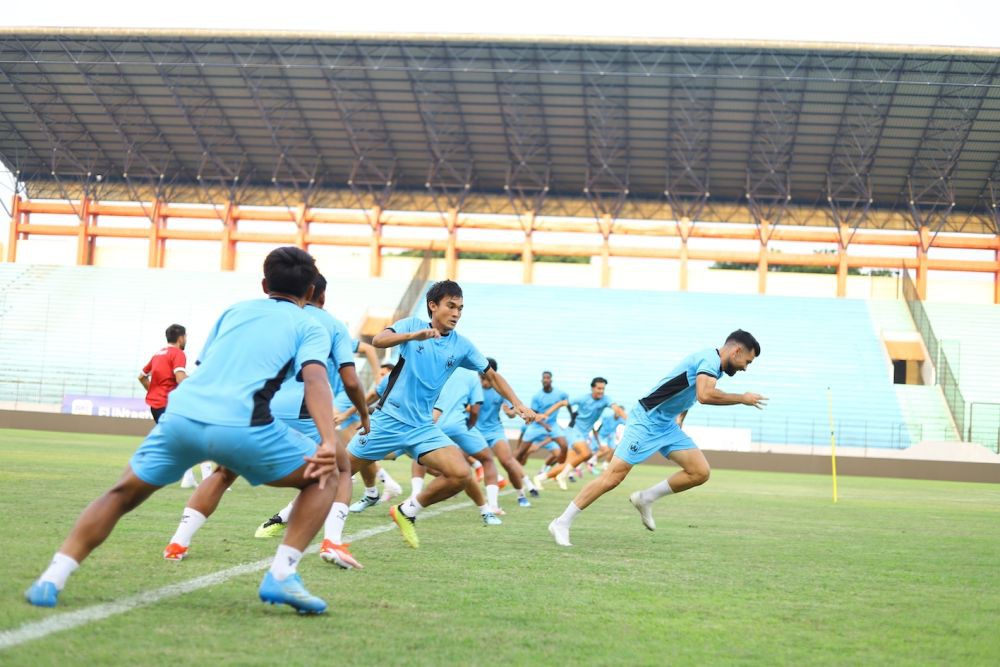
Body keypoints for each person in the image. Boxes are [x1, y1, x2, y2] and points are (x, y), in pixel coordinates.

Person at [25, 247, 340, 614]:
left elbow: (209, 365)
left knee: (120, 494)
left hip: (181, 415)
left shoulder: (235, 310)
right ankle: (282, 575)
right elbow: (316, 379)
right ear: (310, 292)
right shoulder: (310, 325)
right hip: (243, 425)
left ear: (265, 283)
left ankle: (51, 577)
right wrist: (329, 441)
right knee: (325, 474)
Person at [346, 280, 536, 549]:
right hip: (388, 420)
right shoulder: (412, 325)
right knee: (340, 472)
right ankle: (287, 517)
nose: (457, 313)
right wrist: (414, 337)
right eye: (451, 306)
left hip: (423, 427)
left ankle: (407, 510)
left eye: (460, 308)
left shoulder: (462, 345)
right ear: (433, 306)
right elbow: (378, 340)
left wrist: (517, 403)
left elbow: (491, 375)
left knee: (461, 473)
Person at [547, 330, 767, 547]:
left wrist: (681, 418)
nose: (745, 368)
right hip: (646, 420)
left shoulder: (714, 366)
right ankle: (561, 522)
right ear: (736, 351)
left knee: (700, 472)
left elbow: (687, 392)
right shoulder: (709, 360)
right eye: (747, 361)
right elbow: (705, 395)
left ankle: (646, 498)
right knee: (612, 478)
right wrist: (742, 398)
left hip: (667, 425)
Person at [137, 325, 207, 488]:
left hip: (156, 406)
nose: (186, 340)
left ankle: (188, 478)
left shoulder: (157, 354)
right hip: (170, 405)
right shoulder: (178, 354)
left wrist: (153, 391)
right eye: (186, 337)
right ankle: (208, 478)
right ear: (181, 337)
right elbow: (180, 378)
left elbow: (141, 376)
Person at [432, 368, 503, 521]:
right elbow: (475, 409)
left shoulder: (437, 370)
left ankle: (414, 494)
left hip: (433, 423)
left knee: (422, 460)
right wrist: (471, 423)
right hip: (458, 425)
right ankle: (492, 505)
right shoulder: (472, 377)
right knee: (487, 459)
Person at [534, 377, 628, 490]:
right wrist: (545, 414)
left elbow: (617, 409)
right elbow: (562, 403)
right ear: (592, 388)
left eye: (603, 389)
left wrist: (629, 422)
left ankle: (540, 478)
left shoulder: (606, 399)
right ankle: (562, 476)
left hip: (583, 434)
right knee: (586, 453)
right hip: (574, 430)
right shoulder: (583, 398)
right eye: (599, 388)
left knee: (568, 463)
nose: (601, 391)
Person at [475, 357, 537, 506]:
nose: (484, 382)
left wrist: (514, 413)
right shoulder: (473, 387)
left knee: (507, 462)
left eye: (487, 378)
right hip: (475, 432)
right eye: (481, 378)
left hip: (495, 431)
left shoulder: (500, 389)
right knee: (461, 459)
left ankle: (521, 494)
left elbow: (511, 410)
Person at [516, 371, 570, 470]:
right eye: (544, 378)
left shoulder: (560, 393)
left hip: (552, 425)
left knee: (564, 445)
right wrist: (545, 426)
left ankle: (559, 465)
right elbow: (534, 416)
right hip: (537, 426)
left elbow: (567, 401)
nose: (545, 380)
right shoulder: (537, 396)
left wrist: (572, 416)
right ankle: (515, 468)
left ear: (551, 380)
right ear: (541, 380)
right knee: (521, 452)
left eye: (547, 378)